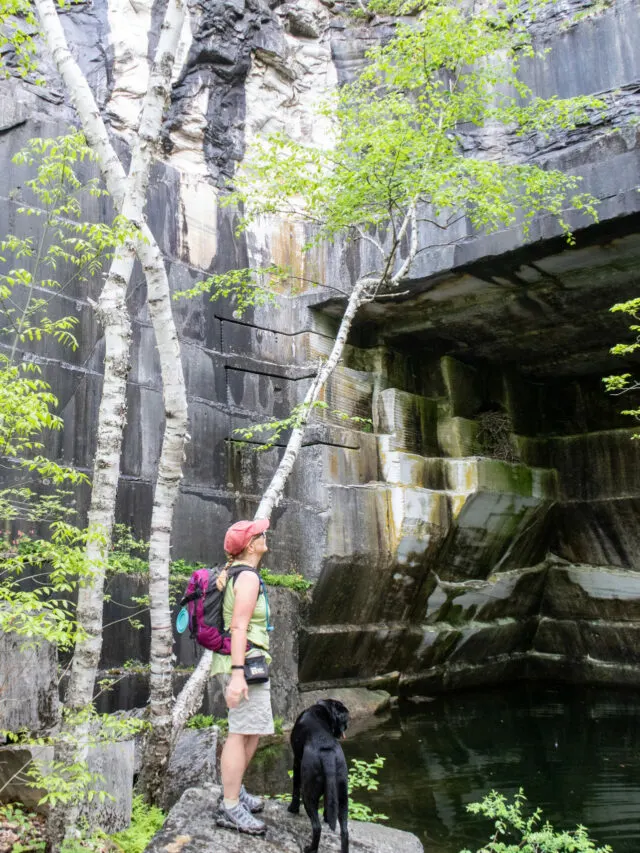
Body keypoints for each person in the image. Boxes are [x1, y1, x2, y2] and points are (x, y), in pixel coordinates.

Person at [213, 517, 274, 835]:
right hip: (244, 663)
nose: (266, 535)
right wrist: (238, 675)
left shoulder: (237, 574)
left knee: (252, 730)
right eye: (260, 534)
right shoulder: (247, 578)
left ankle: (235, 792)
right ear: (251, 546)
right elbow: (238, 627)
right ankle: (230, 804)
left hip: (247, 660)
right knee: (241, 732)